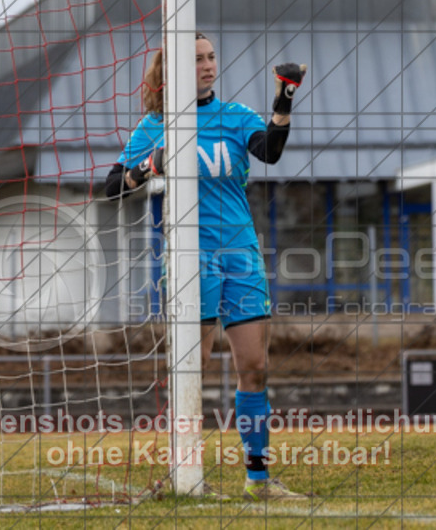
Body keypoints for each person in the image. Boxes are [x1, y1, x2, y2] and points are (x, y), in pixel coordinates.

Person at [106, 33, 307, 501]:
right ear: (174, 68)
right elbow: (112, 186)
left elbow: (270, 150)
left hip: (241, 253)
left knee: (254, 366)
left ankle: (259, 479)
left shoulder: (235, 117)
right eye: (196, 59)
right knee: (192, 367)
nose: (208, 65)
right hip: (190, 258)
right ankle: (186, 473)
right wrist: (148, 166)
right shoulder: (156, 125)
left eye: (212, 56)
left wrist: (283, 100)